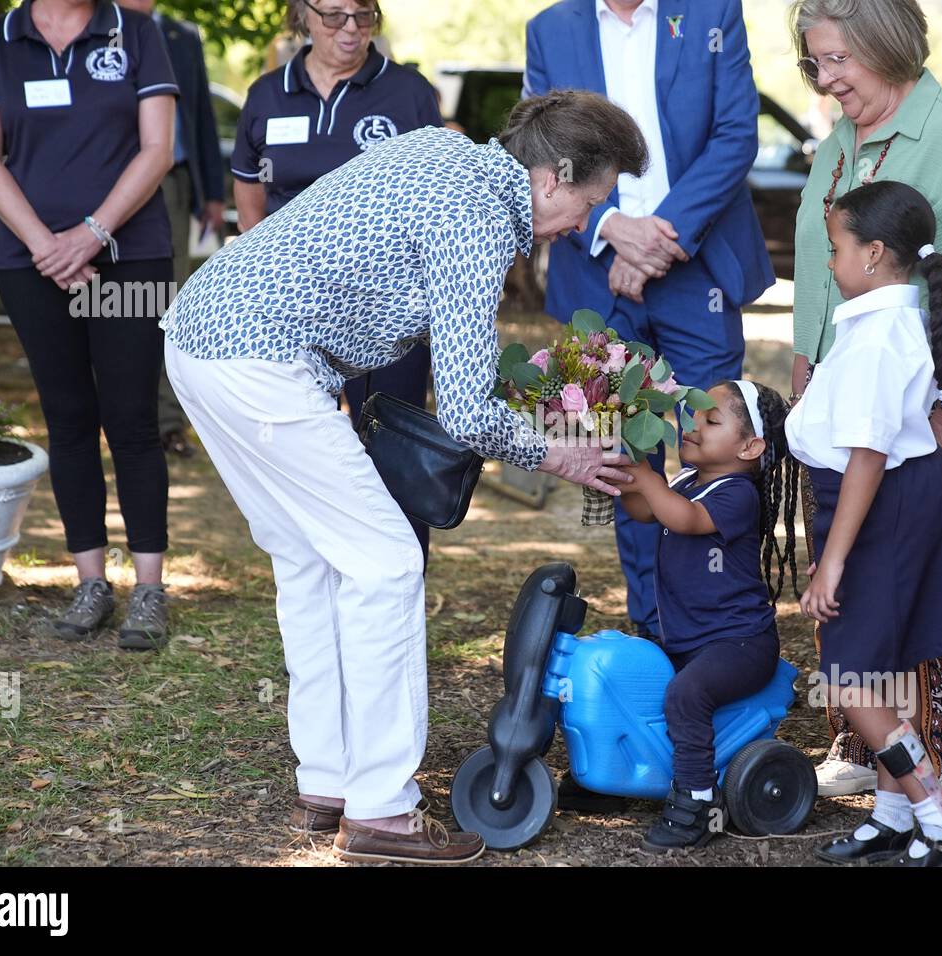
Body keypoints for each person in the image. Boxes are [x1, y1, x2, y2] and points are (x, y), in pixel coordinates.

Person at [159, 91, 647, 864]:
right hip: (256, 360)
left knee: (313, 559)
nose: (585, 223)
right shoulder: (478, 219)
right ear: (554, 176)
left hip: (201, 337)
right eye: (590, 201)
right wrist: (560, 453)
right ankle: (382, 812)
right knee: (386, 561)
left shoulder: (445, 150)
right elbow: (463, 410)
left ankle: (328, 780)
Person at [788, 0, 942, 822]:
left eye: (836, 61)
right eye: (813, 64)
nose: (825, 79)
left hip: (929, 402)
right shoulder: (842, 138)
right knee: (861, 579)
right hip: (847, 384)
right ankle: (873, 748)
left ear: (883, 44)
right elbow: (823, 275)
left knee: (934, 580)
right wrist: (805, 367)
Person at [524, 0, 774, 647]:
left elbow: (736, 134)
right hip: (593, 271)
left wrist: (662, 237)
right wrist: (611, 229)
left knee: (713, 448)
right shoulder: (550, 31)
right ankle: (655, 623)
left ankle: (724, 629)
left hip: (699, 265)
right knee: (620, 455)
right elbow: (542, 156)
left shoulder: (714, 9)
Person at [789, 180, 942, 866]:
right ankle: (890, 816)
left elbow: (867, 457)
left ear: (875, 253)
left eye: (835, 248)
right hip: (896, 502)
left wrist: (832, 562)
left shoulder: (880, 336)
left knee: (851, 677)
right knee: (881, 671)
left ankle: (937, 820)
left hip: (880, 508)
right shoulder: (878, 323)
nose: (828, 263)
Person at [0, 0, 178, 649]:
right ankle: (90, 581)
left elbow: (158, 147)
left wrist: (90, 234)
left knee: (133, 418)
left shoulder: (136, 31)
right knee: (68, 416)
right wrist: (45, 248)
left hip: (131, 258)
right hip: (30, 265)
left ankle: (149, 588)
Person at [231, 0, 445, 560]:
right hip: (294, 311)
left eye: (363, 15)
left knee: (394, 449)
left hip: (387, 309)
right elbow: (250, 200)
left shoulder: (408, 93)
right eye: (333, 16)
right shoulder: (266, 93)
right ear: (303, 15)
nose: (350, 30)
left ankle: (400, 588)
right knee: (307, 451)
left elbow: (438, 197)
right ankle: (326, 576)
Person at [616, 379, 798, 852]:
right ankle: (619, 774)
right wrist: (630, 460)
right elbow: (641, 509)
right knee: (639, 682)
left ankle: (697, 799)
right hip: (690, 640)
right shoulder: (682, 482)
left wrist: (652, 482)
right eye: (692, 415)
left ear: (750, 446)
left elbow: (685, 519)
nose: (692, 425)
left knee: (686, 694)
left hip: (741, 643)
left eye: (711, 420)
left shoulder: (738, 493)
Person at [117, 0, 226, 459]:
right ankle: (117, 417)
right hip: (112, 185)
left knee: (168, 305)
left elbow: (200, 115)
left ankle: (165, 423)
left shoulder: (182, 36)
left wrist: (213, 194)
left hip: (175, 185)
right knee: (113, 304)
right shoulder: (96, 31)